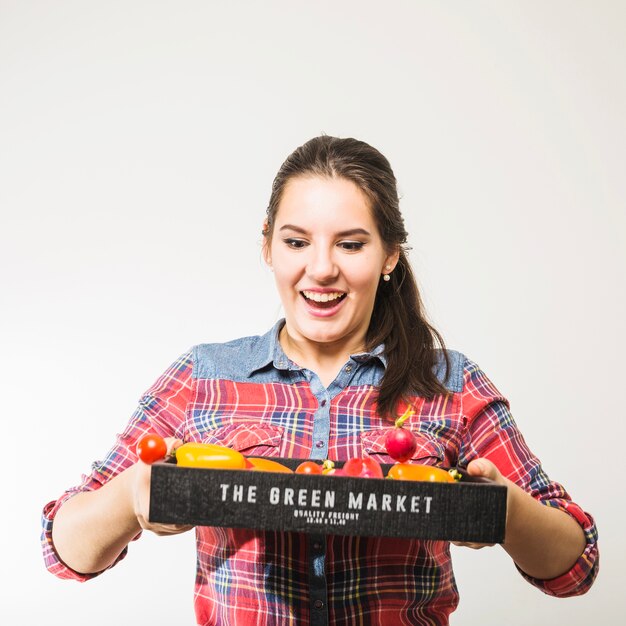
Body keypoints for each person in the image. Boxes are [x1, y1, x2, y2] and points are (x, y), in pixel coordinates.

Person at [42, 135, 599, 625]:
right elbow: (64, 549)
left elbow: (576, 565)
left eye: (351, 244)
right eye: (296, 241)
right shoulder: (201, 377)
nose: (322, 268)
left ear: (389, 256)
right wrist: (132, 495)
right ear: (267, 245)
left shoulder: (451, 384)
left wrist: (506, 514)